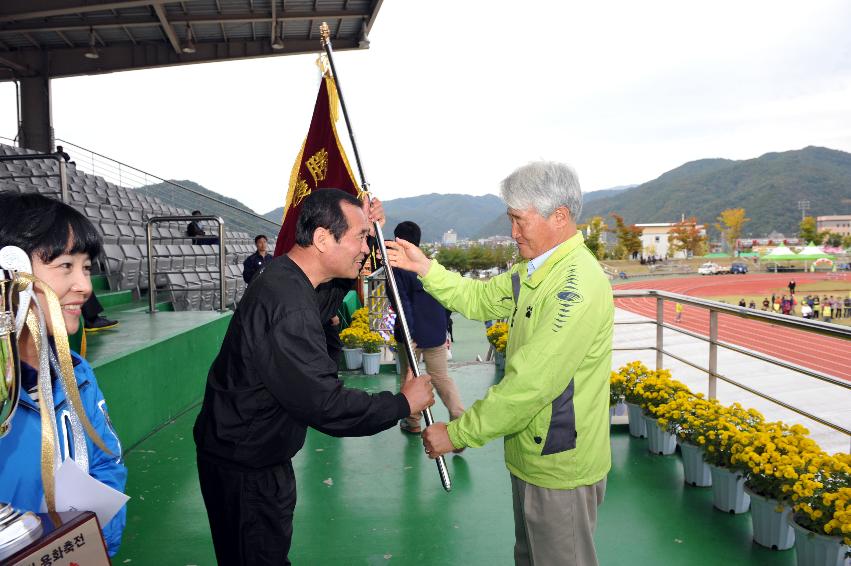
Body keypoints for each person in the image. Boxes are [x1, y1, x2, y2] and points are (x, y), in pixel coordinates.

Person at [387, 161, 613, 566]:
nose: (513, 232)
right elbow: (478, 298)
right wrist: (426, 268)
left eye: (519, 220)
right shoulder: (535, 271)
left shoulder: (575, 287)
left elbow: (529, 386)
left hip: (560, 464)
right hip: (530, 454)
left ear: (559, 217)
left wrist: (458, 434)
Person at [193, 189, 435, 565]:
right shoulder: (287, 304)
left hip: (254, 451)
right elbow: (326, 405)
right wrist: (403, 402)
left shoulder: (291, 278)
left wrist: (372, 228)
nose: (363, 247)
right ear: (323, 238)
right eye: (360, 237)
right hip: (246, 465)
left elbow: (331, 293)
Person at [0, 192, 127, 556]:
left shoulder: (76, 373)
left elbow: (108, 464)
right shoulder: (4, 390)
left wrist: (91, 539)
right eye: (65, 265)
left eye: (86, 267)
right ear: (9, 273)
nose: (85, 286)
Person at [392, 220, 465, 435]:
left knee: (410, 377)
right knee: (441, 377)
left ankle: (412, 421)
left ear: (398, 240)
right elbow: (445, 298)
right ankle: (458, 415)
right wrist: (444, 328)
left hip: (411, 334)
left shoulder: (397, 268)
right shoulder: (430, 264)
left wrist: (409, 333)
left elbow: (402, 303)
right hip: (435, 332)